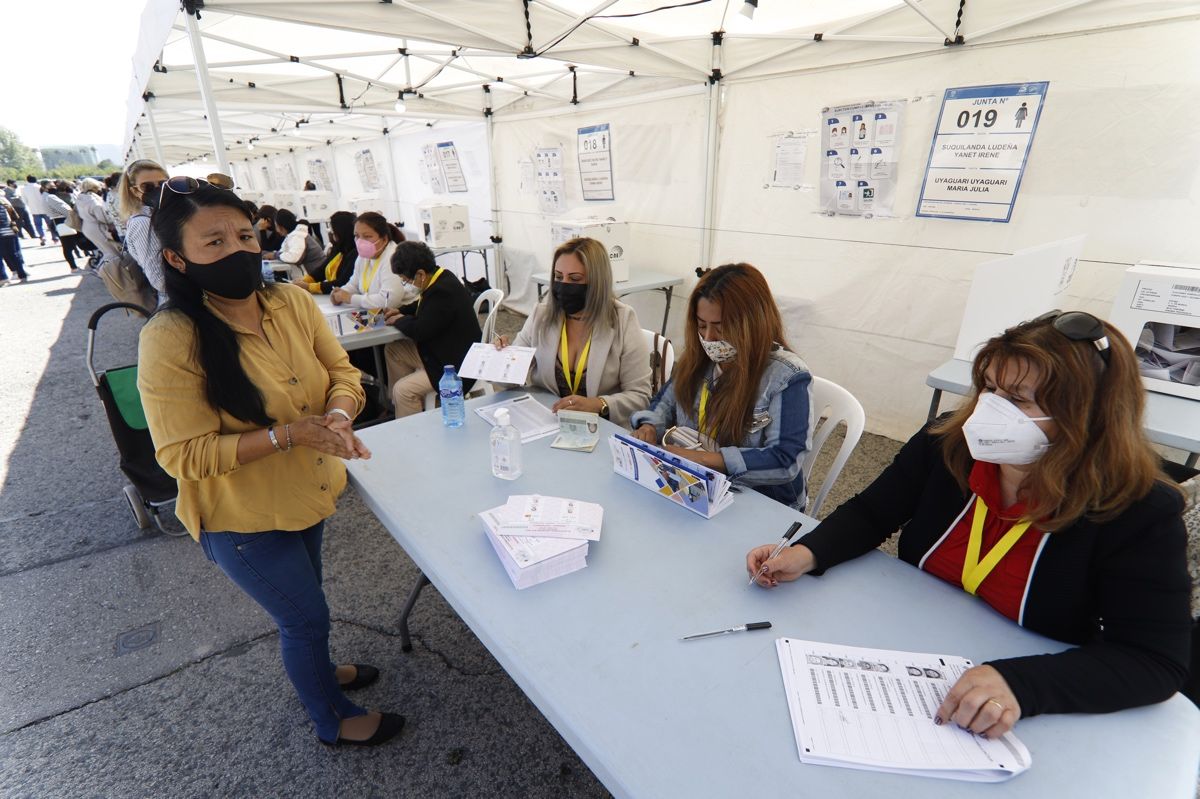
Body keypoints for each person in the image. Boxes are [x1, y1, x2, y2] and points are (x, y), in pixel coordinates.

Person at [746, 312, 1192, 737]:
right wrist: (807, 553)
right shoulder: (947, 444)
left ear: (1087, 417)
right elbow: (873, 512)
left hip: (1012, 686)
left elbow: (1154, 661)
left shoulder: (1139, 511)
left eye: (1016, 399)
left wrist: (1021, 682)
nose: (989, 409)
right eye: (990, 388)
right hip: (913, 649)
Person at [137, 175, 405, 748]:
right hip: (242, 518)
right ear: (176, 258)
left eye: (243, 234)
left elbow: (343, 374)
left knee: (312, 604)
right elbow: (182, 455)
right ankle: (332, 719)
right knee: (303, 618)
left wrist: (336, 415)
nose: (236, 249)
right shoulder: (171, 337)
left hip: (307, 494)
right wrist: (290, 434)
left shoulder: (288, 302)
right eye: (213, 242)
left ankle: (319, 670)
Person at [630, 263, 814, 509]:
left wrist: (702, 459)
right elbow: (664, 402)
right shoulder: (699, 359)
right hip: (699, 488)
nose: (708, 338)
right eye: (701, 325)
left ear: (751, 323)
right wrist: (650, 425)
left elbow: (785, 460)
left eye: (720, 326)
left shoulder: (787, 376)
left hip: (761, 501)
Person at [495, 237, 651, 427]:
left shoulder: (623, 321)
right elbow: (508, 382)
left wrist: (599, 404)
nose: (563, 285)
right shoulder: (541, 316)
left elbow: (640, 396)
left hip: (600, 428)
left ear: (597, 282)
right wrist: (501, 359)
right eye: (558, 277)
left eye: (575, 279)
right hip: (548, 423)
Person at [383, 241, 482, 417]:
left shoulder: (442, 292)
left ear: (420, 274)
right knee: (394, 350)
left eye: (406, 281)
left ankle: (414, 425)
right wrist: (401, 310)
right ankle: (407, 406)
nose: (407, 284)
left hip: (456, 365)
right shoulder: (441, 277)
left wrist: (399, 320)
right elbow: (424, 306)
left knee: (403, 390)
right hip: (445, 351)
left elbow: (420, 330)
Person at [329, 211, 413, 310]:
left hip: (401, 313)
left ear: (384, 239)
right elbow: (354, 284)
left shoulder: (393, 258)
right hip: (376, 314)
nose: (360, 241)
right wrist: (340, 293)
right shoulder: (363, 256)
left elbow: (388, 301)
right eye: (357, 236)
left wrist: (349, 298)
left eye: (367, 236)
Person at [118, 158, 170, 298]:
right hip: (180, 299)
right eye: (147, 187)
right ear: (135, 191)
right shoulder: (144, 223)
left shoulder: (159, 213)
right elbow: (160, 281)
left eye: (163, 184)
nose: (158, 189)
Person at [299, 210, 356, 295]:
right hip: (333, 295)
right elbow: (322, 269)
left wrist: (309, 286)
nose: (330, 233)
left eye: (333, 231)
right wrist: (304, 281)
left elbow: (342, 282)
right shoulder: (339, 248)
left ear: (341, 232)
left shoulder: (355, 253)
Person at [264, 208, 324, 279]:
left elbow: (294, 257)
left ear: (281, 226)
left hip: (317, 276)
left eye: (276, 226)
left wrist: (275, 255)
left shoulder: (298, 236)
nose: (276, 230)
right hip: (312, 274)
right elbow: (283, 252)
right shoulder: (293, 236)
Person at [42, 180, 85, 272]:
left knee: (67, 245)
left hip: (57, 221)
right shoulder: (50, 197)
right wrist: (73, 214)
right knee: (68, 245)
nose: (54, 186)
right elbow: (64, 208)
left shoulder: (45, 196)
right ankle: (74, 267)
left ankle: (74, 267)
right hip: (62, 220)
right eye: (51, 185)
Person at [76, 178, 121, 265]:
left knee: (104, 250)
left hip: (87, 227)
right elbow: (102, 217)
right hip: (97, 227)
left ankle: (105, 270)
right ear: (94, 187)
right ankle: (112, 272)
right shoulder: (93, 200)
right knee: (112, 251)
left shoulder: (81, 198)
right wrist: (113, 219)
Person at [0, 196, 29, 285]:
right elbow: (13, 216)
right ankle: (22, 275)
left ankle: (3, 278)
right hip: (10, 231)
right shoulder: (3, 203)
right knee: (13, 254)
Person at [18, 175, 55, 245]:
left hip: (34, 209)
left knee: (38, 225)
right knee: (50, 224)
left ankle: (42, 236)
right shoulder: (39, 187)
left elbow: (24, 200)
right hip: (45, 208)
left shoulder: (23, 188)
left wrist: (29, 205)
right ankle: (54, 237)